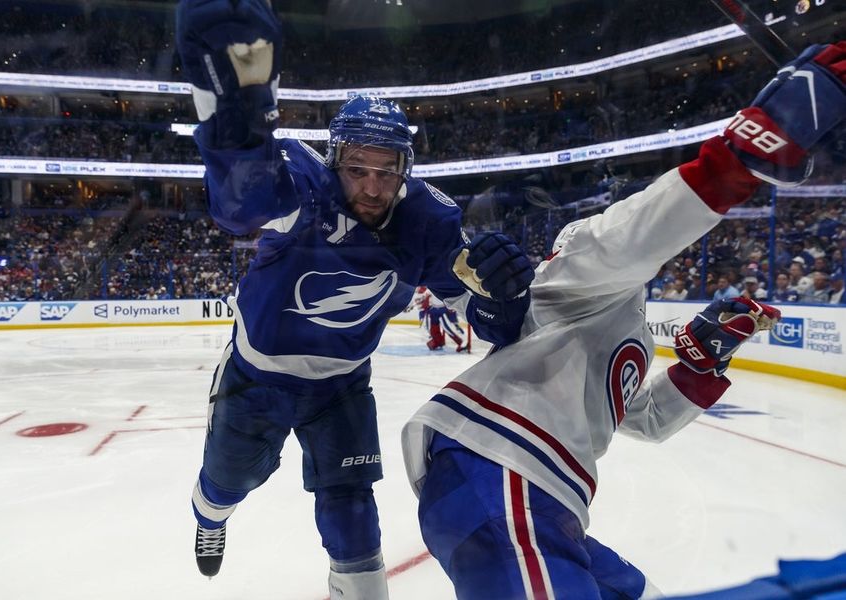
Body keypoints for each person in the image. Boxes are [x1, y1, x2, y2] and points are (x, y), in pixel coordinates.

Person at [402, 41, 845, 599]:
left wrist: (703, 366)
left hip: (539, 494)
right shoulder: (577, 267)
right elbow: (633, 237)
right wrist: (737, 158)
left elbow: (647, 419)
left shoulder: (624, 327)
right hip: (501, 464)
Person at [174, 2, 534, 598]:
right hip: (258, 376)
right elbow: (240, 206)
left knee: (352, 509)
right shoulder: (303, 187)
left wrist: (504, 293)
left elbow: (490, 324)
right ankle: (211, 520)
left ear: (405, 169)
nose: (371, 185)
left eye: (386, 170)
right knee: (225, 484)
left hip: (342, 383)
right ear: (335, 158)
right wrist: (234, 125)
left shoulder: (429, 220)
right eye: (357, 168)